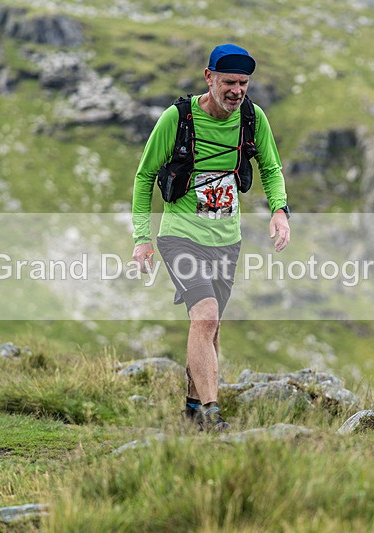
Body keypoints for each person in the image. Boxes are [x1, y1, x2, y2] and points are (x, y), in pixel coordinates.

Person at [131, 43, 291, 432]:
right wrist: (142, 237)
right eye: (229, 82)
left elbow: (270, 167)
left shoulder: (253, 118)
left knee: (211, 324)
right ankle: (213, 413)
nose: (237, 91)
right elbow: (144, 177)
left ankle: (191, 408)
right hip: (180, 235)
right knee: (205, 316)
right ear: (209, 77)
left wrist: (280, 211)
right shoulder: (177, 119)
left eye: (244, 83)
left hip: (227, 238)